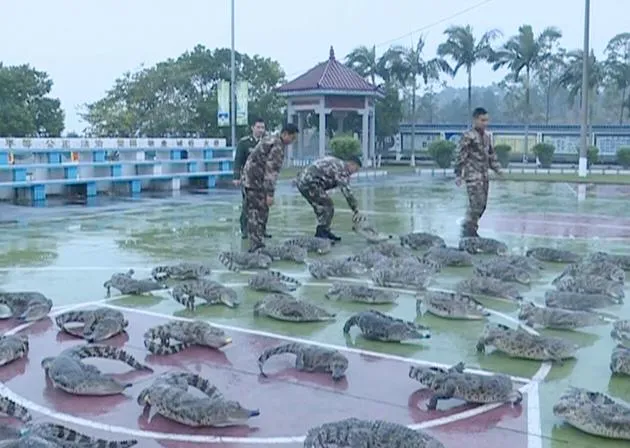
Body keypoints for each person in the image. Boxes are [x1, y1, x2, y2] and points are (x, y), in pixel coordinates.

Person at [241, 123, 299, 252]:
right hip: (255, 182)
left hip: (250, 179)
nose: (293, 141)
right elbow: (271, 170)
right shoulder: (278, 145)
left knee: (254, 211)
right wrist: (270, 194)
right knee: (258, 212)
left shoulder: (271, 138)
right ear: (285, 134)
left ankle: (256, 243)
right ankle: (256, 245)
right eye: (292, 138)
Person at [454, 107, 502, 238]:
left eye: (487, 120)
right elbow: (460, 155)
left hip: (484, 176)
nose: (485, 123)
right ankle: (469, 231)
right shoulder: (468, 136)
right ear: (475, 120)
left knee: (482, 205)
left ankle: (469, 226)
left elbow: (491, 155)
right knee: (476, 204)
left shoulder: (486, 137)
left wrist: (498, 169)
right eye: (482, 120)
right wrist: (458, 174)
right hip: (472, 176)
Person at [295, 154, 362, 242]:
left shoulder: (338, 163)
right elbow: (346, 191)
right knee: (328, 205)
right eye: (355, 169)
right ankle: (321, 234)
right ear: (351, 164)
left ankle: (324, 231)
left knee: (321, 207)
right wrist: (355, 209)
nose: (354, 173)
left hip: (305, 181)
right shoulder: (342, 168)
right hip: (309, 183)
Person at [232, 117, 269, 239]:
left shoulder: (267, 142)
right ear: (253, 128)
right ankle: (245, 230)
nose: (260, 130)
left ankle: (261, 229)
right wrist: (236, 176)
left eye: (262, 127)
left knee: (264, 205)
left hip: (263, 179)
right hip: (248, 179)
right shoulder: (244, 143)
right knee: (247, 205)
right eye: (258, 127)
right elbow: (238, 160)